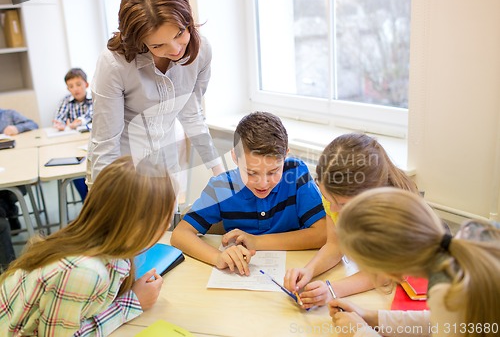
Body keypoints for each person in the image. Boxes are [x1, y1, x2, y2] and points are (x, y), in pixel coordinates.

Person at [0, 155, 176, 336]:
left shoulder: (105, 243)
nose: (168, 225)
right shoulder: (83, 271)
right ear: (137, 224)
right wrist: (131, 303)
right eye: (165, 217)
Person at [87, 0, 224, 188]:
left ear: (187, 19)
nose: (176, 49)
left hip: (165, 164)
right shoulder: (114, 65)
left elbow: (190, 112)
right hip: (122, 167)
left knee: (169, 220)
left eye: (179, 33)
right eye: (158, 45)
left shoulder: (202, 50)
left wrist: (218, 171)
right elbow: (106, 145)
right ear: (138, 41)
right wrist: (107, 202)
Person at [328, 188, 500, 337]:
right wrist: (372, 317)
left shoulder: (446, 291)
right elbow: (440, 321)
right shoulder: (476, 233)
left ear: (389, 272)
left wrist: (359, 332)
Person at [171, 112, 327, 275]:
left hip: (294, 271)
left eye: (273, 171)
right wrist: (219, 258)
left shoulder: (296, 173)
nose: (263, 183)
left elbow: (322, 234)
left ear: (285, 156)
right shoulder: (221, 187)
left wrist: (257, 241)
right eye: (252, 173)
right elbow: (180, 234)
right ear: (235, 157)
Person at [284, 133, 419, 308]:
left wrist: (332, 290)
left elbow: (385, 272)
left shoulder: (395, 210)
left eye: (341, 204)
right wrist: (309, 270)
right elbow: (335, 245)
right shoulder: (336, 196)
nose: (332, 210)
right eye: (327, 198)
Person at [53, 68, 93, 201]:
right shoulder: (66, 101)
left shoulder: (94, 97)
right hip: (72, 145)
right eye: (71, 86)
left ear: (86, 85)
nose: (75, 89)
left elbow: (91, 115)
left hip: (90, 142)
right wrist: (60, 124)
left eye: (78, 84)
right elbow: (59, 117)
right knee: (75, 170)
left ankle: (92, 200)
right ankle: (86, 201)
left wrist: (79, 121)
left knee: (90, 168)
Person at [0, 108, 38, 231]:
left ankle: (10, 212)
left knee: (12, 192)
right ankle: (10, 213)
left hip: (14, 166)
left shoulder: (8, 114)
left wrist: (17, 129)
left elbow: (33, 125)